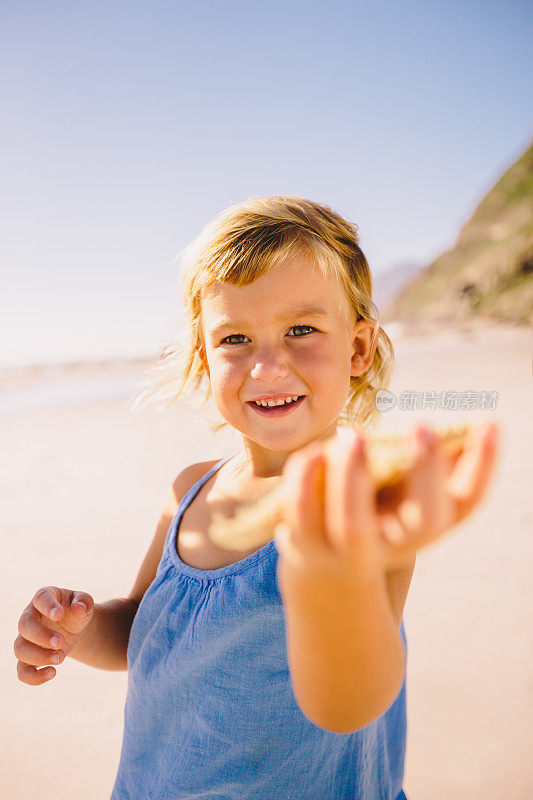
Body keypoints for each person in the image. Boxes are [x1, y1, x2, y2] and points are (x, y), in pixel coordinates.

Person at [14, 196, 499, 800]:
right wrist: (79, 632)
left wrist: (331, 574)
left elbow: (351, 703)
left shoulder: (360, 501)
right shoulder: (189, 490)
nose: (268, 366)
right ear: (203, 356)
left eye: (301, 330)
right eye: (236, 338)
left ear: (358, 349)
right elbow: (149, 630)